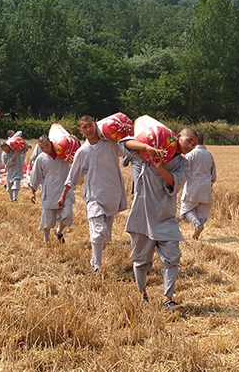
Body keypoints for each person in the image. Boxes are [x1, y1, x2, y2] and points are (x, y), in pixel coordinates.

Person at [119, 127, 198, 312]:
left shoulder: (183, 164)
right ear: (178, 137)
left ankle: (167, 299)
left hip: (165, 216)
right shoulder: (146, 152)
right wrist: (147, 148)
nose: (191, 146)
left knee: (172, 259)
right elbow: (124, 143)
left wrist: (160, 167)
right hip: (142, 214)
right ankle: (141, 293)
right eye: (189, 141)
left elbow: (174, 183)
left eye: (195, 144)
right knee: (140, 260)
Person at [58, 116, 132, 275]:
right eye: (84, 127)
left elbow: (127, 148)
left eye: (90, 125)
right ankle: (97, 266)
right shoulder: (83, 151)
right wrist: (63, 195)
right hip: (94, 195)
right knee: (98, 231)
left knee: (104, 237)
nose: (88, 129)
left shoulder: (110, 144)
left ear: (95, 125)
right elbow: (74, 175)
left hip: (112, 193)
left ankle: (94, 259)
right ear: (80, 131)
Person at [30, 135, 74, 243]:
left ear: (51, 143)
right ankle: (46, 239)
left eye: (47, 146)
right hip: (49, 190)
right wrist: (33, 192)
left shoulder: (62, 154)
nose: (45, 149)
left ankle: (59, 231)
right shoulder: (41, 159)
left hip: (64, 190)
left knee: (68, 214)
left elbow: (74, 157)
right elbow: (36, 175)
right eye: (42, 148)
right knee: (47, 217)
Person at [179, 130, 217, 240]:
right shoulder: (209, 155)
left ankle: (197, 225)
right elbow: (213, 174)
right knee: (202, 211)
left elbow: (184, 170)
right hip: (206, 187)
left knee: (185, 210)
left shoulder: (191, 155)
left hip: (192, 186)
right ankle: (198, 228)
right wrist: (211, 183)